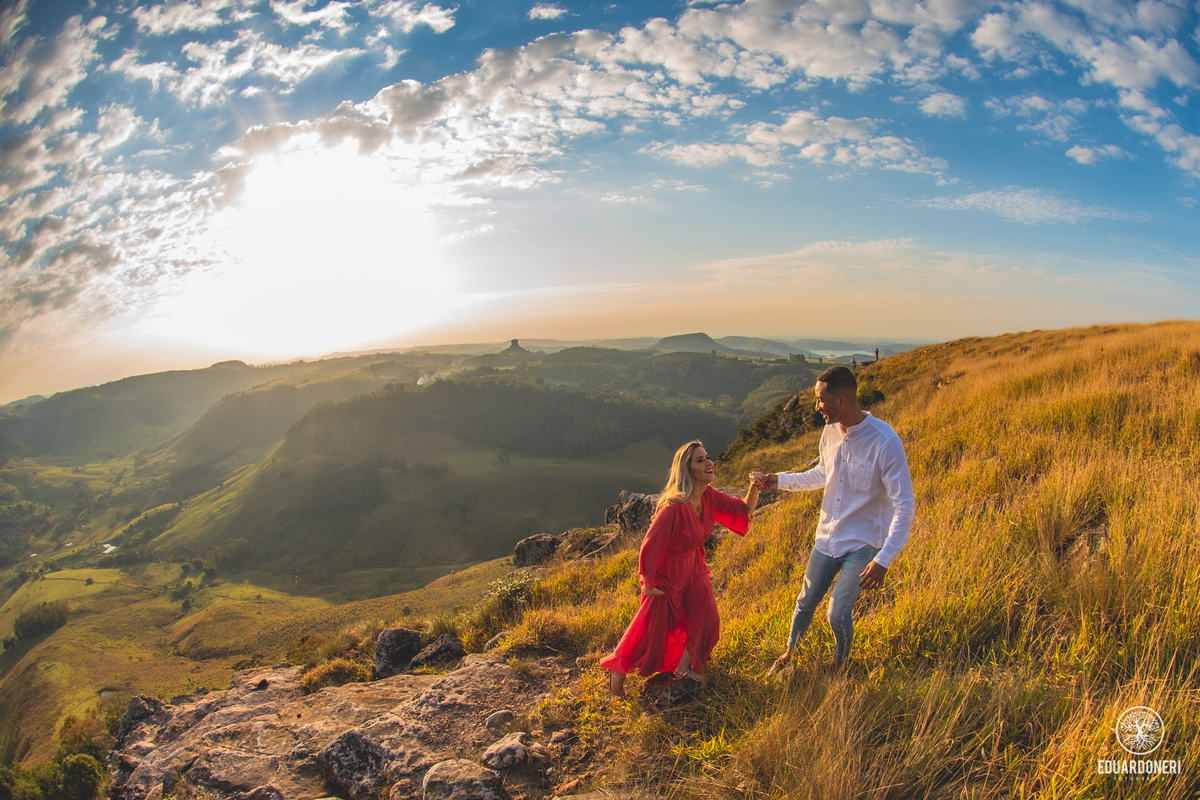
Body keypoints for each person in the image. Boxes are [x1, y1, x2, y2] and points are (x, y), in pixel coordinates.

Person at [751, 365, 914, 673]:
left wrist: (884, 559)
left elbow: (904, 504)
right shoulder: (829, 431)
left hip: (864, 542)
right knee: (806, 599)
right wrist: (779, 481)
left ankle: (840, 664)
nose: (816, 407)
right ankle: (790, 653)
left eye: (821, 400)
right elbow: (823, 474)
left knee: (837, 613)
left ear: (841, 401)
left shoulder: (886, 442)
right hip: (828, 536)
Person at [600, 440, 760, 696]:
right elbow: (650, 545)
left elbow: (742, 508)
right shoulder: (673, 508)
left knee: (708, 618)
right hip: (668, 574)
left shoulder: (708, 495)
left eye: (707, 457)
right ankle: (618, 668)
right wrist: (648, 583)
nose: (709, 463)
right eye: (700, 460)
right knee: (652, 629)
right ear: (687, 470)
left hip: (694, 566)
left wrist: (755, 487)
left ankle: (683, 669)